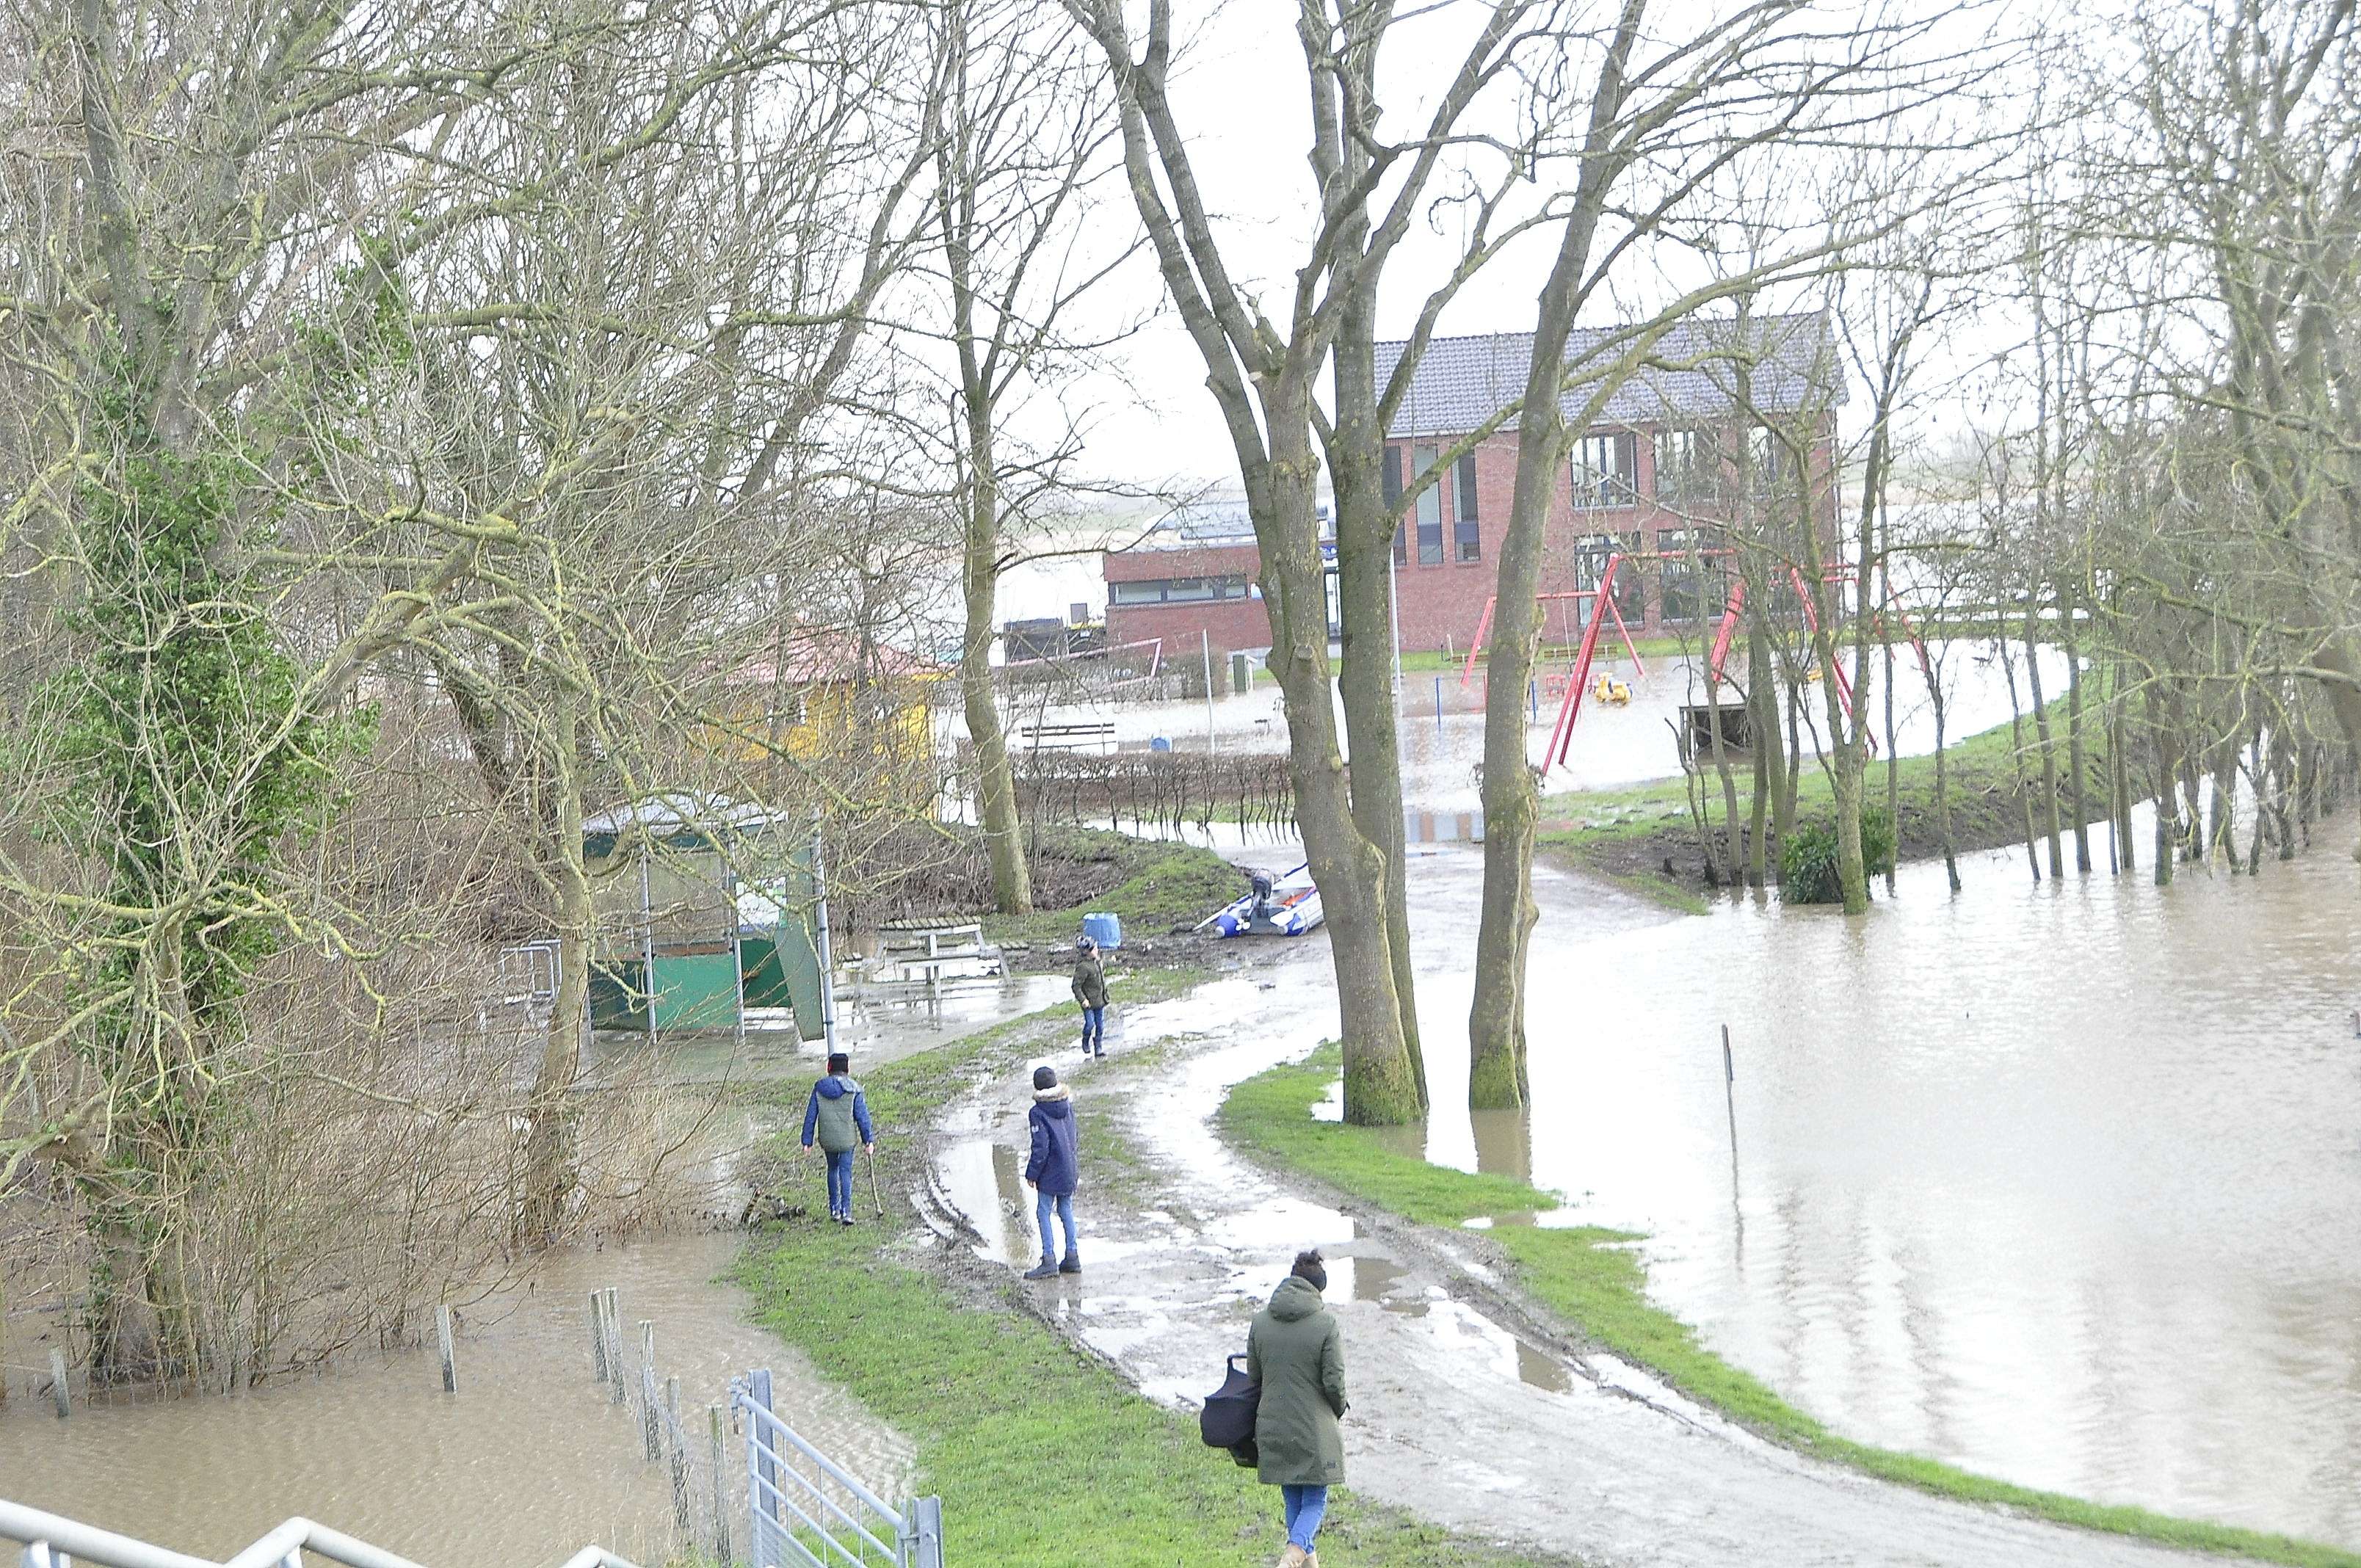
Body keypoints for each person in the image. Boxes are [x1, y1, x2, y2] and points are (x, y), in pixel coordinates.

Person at [1247, 1249, 1346, 1568]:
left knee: (1293, 1498)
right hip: (1312, 1429)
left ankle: (1301, 1559)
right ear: (1318, 1290)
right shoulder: (1326, 1324)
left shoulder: (1260, 1322)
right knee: (1315, 1500)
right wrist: (1338, 1409)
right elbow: (1334, 1382)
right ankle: (1290, 1559)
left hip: (1273, 1426)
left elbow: (1254, 1376)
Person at [799, 1051, 874, 1225]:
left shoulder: (819, 1089)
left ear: (829, 1068)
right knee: (845, 1172)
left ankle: (834, 1209)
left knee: (832, 1169)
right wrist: (868, 1140)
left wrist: (807, 1142)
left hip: (827, 1139)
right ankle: (847, 1212)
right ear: (846, 1068)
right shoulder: (854, 1089)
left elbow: (810, 1116)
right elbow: (863, 1117)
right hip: (847, 1139)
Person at [1022, 1064, 1080, 1280]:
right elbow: (1075, 1136)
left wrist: (1032, 1174)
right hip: (1069, 1168)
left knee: (1043, 1211)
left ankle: (1048, 1260)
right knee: (1066, 1210)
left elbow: (1041, 1147)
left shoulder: (1037, 1112)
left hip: (1050, 1172)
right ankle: (1072, 1257)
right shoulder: (1067, 1105)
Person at [1071, 937, 1109, 1059]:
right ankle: (1085, 1040)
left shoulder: (1096, 962)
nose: (1097, 950)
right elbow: (1076, 986)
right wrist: (1083, 1000)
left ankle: (1098, 1047)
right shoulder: (1083, 967)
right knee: (1090, 1024)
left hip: (1100, 1000)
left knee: (1100, 1025)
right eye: (1095, 948)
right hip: (1088, 1003)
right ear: (1087, 952)